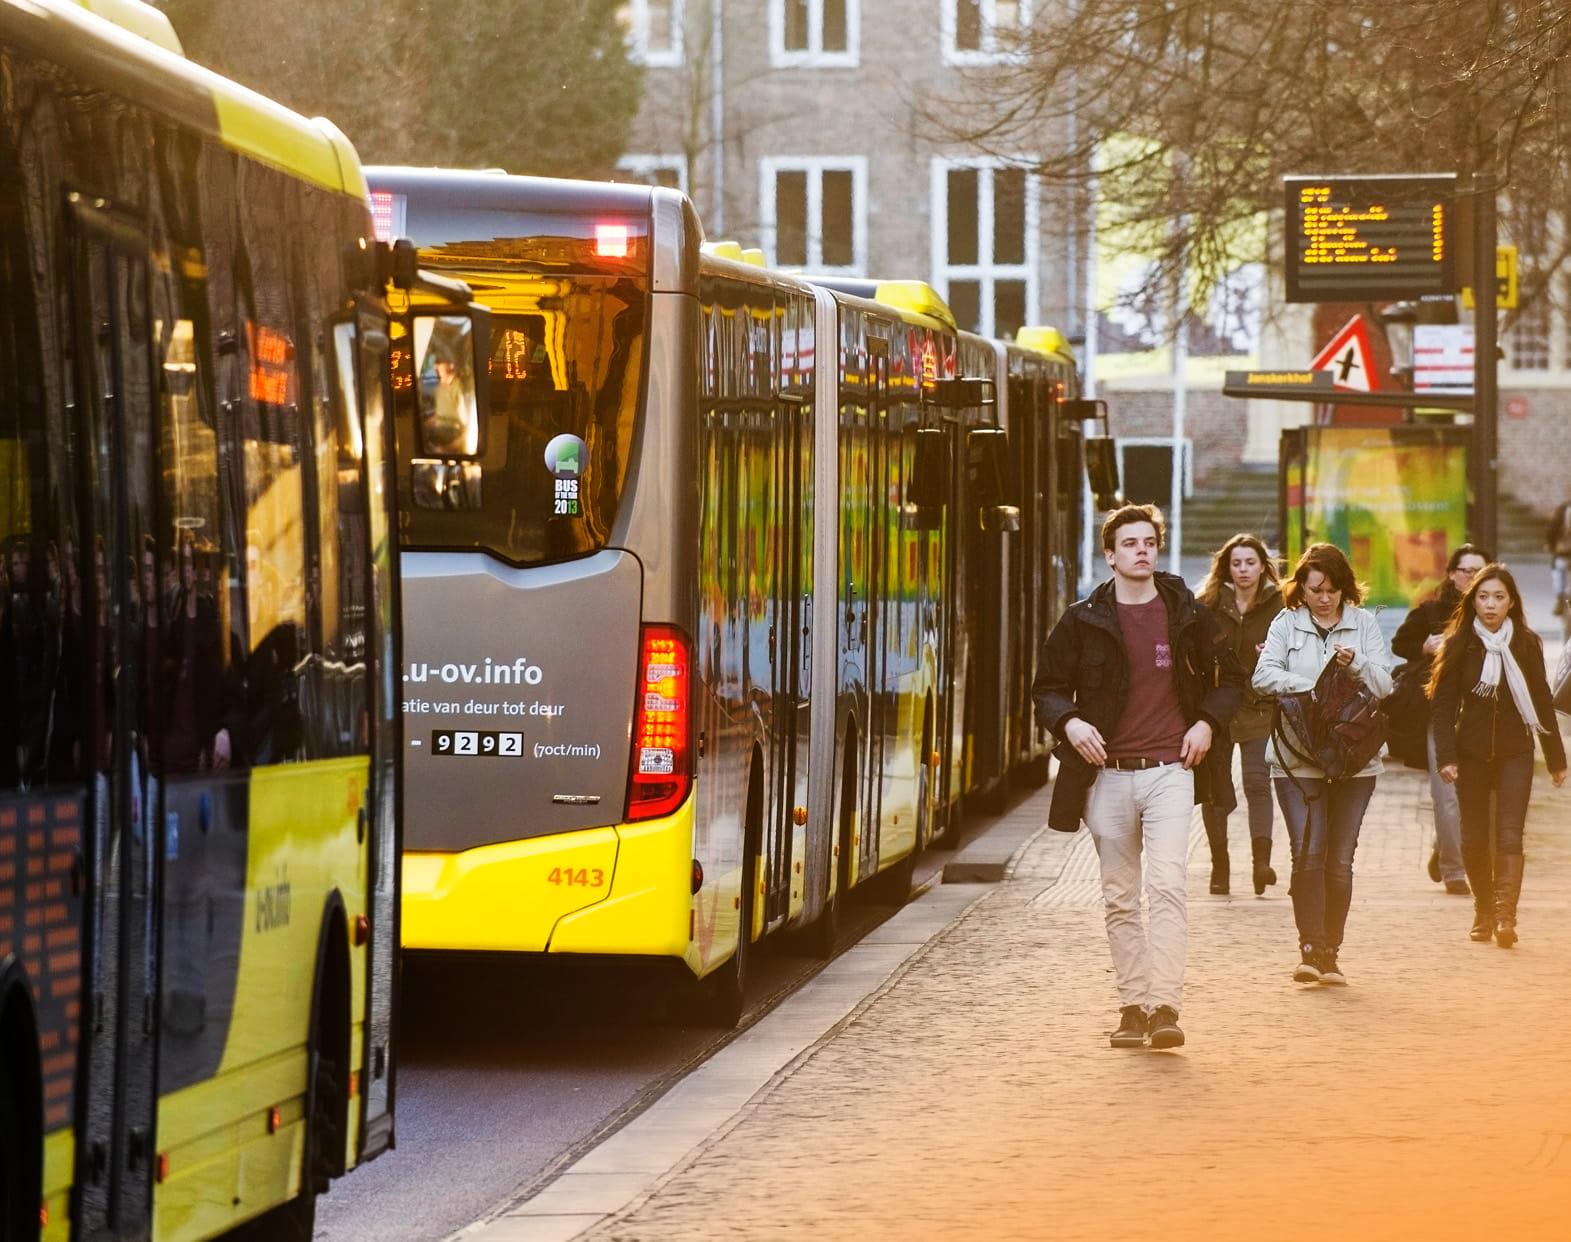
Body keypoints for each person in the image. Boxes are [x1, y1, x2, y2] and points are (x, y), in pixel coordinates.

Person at [1032, 504, 1242, 1050]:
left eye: (1149, 541)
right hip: (1107, 777)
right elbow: (1046, 688)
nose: (1142, 550)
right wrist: (1071, 721)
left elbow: (1231, 678)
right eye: (1130, 543)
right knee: (1120, 897)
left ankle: (1166, 1007)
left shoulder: (1188, 615)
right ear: (1110, 555)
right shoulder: (1082, 620)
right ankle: (1132, 1006)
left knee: (1168, 886)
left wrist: (1206, 723)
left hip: (1171, 771)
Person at [1253, 542, 1392, 986]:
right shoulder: (1286, 624)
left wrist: (1356, 666)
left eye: (1332, 590)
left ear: (1345, 589)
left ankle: (1332, 949)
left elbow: (1386, 684)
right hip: (1298, 757)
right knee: (1308, 853)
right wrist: (1312, 684)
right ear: (1302, 589)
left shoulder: (1364, 624)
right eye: (1315, 589)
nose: (1325, 598)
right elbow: (1263, 674)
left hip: (1354, 761)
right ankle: (1310, 948)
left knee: (1340, 860)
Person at [1429, 564, 1567, 947]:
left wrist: (1555, 759)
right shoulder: (1459, 644)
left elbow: (1540, 700)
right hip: (1469, 753)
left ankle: (1506, 916)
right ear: (1473, 601)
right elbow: (1441, 707)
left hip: (1514, 752)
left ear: (1511, 603)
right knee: (1473, 839)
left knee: (1509, 835)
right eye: (1483, 597)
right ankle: (1484, 910)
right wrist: (1446, 756)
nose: (1490, 605)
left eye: (1498, 597)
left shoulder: (1526, 643)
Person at [1391, 543, 1489, 895]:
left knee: (1476, 793)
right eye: (1466, 570)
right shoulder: (1432, 611)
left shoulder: (1496, 614)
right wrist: (1425, 647)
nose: (1472, 577)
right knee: (1445, 792)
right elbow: (1399, 644)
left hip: (1482, 716)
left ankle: (1443, 846)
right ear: (1451, 574)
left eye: (1479, 570)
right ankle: (1454, 870)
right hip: (1440, 714)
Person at [1197, 533, 1284, 896]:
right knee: (1215, 789)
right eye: (1237, 563)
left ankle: (1261, 864)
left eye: (1251, 562)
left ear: (1264, 567)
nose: (1244, 570)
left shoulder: (1280, 605)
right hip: (1216, 708)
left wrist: (1276, 652)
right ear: (1226, 568)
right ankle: (1220, 866)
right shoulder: (1209, 604)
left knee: (1257, 783)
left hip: (1259, 706)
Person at [1546, 490, 1571, 613]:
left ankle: (1560, 599)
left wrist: (1550, 545)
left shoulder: (1562, 510)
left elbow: (1552, 529)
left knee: (1558, 573)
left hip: (1562, 552)